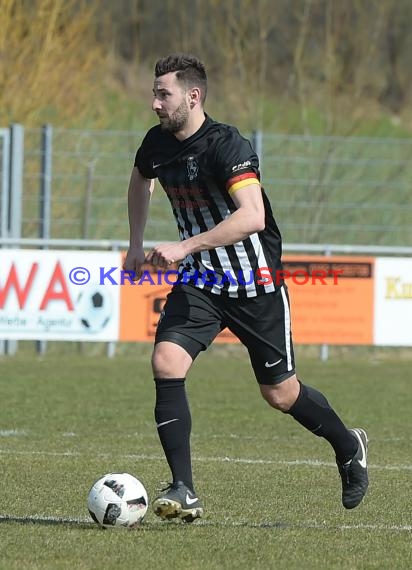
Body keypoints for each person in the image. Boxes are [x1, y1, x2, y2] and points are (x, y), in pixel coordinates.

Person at [123, 53, 369, 523]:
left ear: (192, 97)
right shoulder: (156, 143)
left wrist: (184, 246)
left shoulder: (226, 145)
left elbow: (252, 216)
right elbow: (140, 178)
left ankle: (347, 444)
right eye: (154, 92)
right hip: (201, 282)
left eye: (163, 94)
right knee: (166, 360)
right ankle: (184, 489)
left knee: (280, 394)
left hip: (254, 282)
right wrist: (135, 244)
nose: (154, 102)